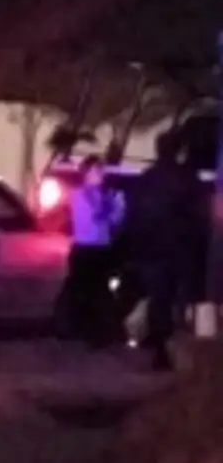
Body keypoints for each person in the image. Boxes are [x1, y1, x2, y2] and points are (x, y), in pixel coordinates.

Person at [125, 131, 205, 371]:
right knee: (179, 302)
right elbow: (198, 219)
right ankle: (175, 351)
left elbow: (133, 216)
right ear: (180, 151)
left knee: (158, 301)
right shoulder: (187, 180)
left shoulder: (145, 180)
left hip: (151, 252)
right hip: (179, 252)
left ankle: (160, 348)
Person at [60, 155, 126, 346]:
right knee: (84, 292)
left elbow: (114, 221)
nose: (100, 174)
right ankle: (80, 330)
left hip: (101, 249)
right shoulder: (79, 194)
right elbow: (97, 216)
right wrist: (113, 203)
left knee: (100, 292)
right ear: (86, 173)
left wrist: (119, 206)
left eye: (101, 170)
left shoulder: (103, 195)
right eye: (96, 170)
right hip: (85, 249)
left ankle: (98, 332)